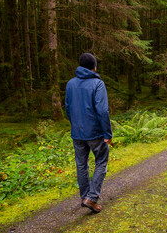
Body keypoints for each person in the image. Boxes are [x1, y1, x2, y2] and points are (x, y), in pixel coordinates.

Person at [65, 53, 112, 213]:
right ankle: (91, 198)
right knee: (101, 162)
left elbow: (68, 108)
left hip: (77, 132)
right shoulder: (97, 84)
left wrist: (76, 124)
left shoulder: (70, 84)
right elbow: (103, 110)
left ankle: (85, 197)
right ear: (94, 67)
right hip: (95, 133)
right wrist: (107, 133)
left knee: (81, 165)